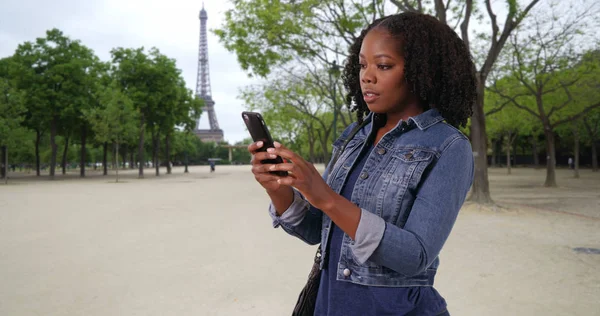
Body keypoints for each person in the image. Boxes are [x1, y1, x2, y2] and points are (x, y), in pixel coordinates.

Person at [248, 12, 476, 316]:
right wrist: (279, 190)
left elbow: (414, 256)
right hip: (328, 305)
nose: (367, 76)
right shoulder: (355, 136)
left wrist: (324, 196)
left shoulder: (448, 147)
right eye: (362, 65)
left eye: (383, 66)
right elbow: (317, 229)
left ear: (423, 72)